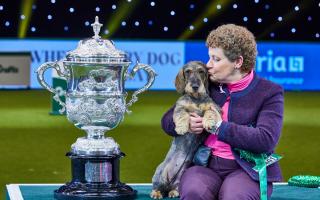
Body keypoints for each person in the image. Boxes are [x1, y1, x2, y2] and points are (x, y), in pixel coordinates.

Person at [161, 24, 284, 200]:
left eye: (216, 59)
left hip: (246, 170)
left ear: (238, 62)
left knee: (235, 196)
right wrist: (186, 123)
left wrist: (218, 127)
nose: (208, 65)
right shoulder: (206, 84)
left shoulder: (270, 91)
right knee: (193, 192)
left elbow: (265, 140)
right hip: (204, 165)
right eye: (209, 57)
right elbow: (166, 121)